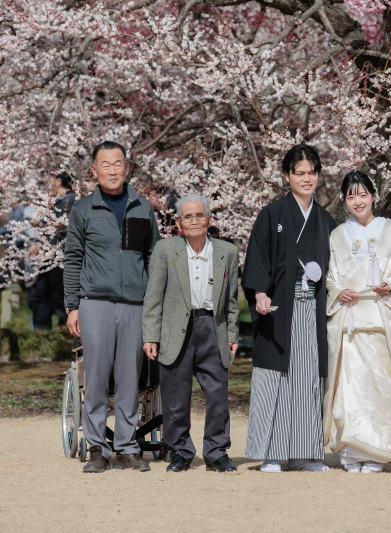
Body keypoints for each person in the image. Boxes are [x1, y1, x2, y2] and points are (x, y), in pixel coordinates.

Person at [64, 141, 161, 473]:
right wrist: (71, 306)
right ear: (94, 171)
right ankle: (97, 448)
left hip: (135, 305)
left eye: (117, 163)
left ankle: (127, 447)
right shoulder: (82, 210)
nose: (112, 170)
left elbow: (153, 259)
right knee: (95, 378)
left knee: (129, 378)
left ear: (127, 167)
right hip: (95, 303)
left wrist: (154, 306)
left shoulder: (143, 208)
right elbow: (73, 259)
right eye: (105, 165)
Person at [242, 143, 337, 472]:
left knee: (309, 379)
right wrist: (259, 295)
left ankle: (304, 453)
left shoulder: (325, 220)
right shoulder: (272, 214)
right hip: (279, 307)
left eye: (312, 173)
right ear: (287, 175)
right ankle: (271, 453)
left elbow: (336, 269)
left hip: (312, 309)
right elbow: (257, 258)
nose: (307, 179)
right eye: (300, 173)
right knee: (275, 378)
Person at [324, 171, 391, 473]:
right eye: (351, 196)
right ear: (345, 200)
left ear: (373, 195)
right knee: (350, 388)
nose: (357, 201)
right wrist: (339, 291)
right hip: (350, 322)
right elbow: (331, 277)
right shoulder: (337, 235)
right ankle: (351, 451)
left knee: (379, 386)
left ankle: (379, 451)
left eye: (363, 194)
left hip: (380, 320)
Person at [142, 193, 240, 473]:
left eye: (200, 215)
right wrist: (151, 335)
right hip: (175, 331)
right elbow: (154, 297)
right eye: (188, 216)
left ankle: (216, 452)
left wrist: (232, 334)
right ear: (179, 222)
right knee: (174, 395)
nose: (194, 220)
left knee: (218, 393)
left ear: (209, 219)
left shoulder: (227, 252)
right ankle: (179, 452)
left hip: (213, 327)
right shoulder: (165, 250)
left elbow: (232, 301)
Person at [27, 172, 77, 329]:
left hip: (59, 258)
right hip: (54, 255)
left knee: (50, 298)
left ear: (59, 181)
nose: (48, 183)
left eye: (50, 179)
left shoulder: (68, 202)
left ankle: (52, 333)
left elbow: (60, 230)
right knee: (49, 298)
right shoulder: (62, 201)